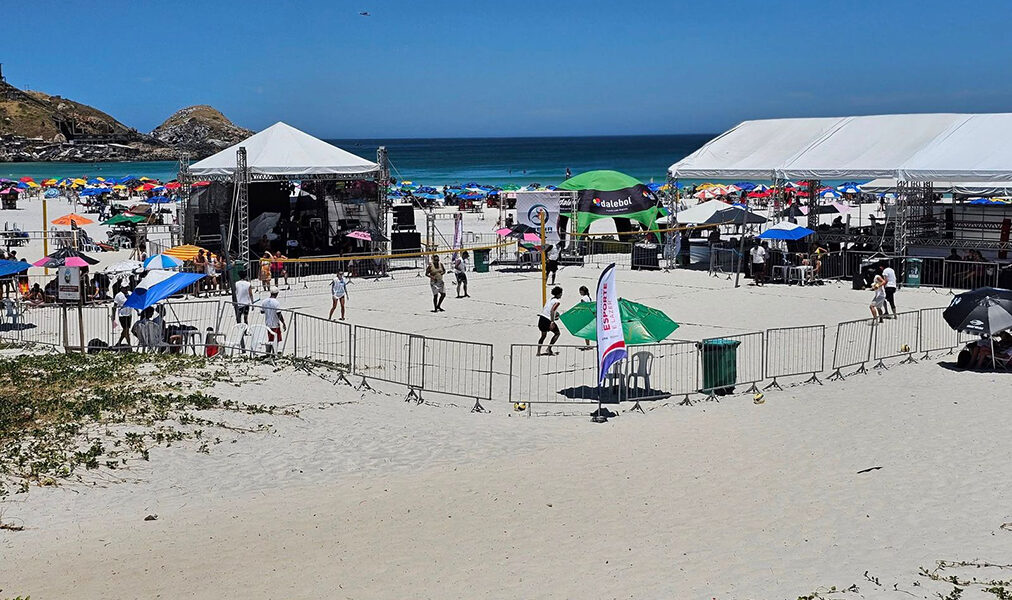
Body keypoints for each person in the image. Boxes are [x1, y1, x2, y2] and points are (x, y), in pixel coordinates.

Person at [537, 286, 563, 356]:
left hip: (541, 318)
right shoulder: (557, 302)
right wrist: (552, 321)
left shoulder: (550, 299)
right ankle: (549, 348)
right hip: (548, 320)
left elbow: (548, 309)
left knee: (543, 336)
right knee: (557, 333)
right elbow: (552, 310)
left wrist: (555, 314)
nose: (561, 295)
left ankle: (538, 352)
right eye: (561, 293)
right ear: (559, 294)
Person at [260, 286, 286, 353]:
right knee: (275, 339)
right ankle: (274, 352)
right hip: (275, 323)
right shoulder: (276, 302)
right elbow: (279, 314)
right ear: (277, 293)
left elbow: (262, 311)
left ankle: (269, 351)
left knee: (270, 338)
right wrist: (283, 323)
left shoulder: (264, 301)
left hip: (268, 323)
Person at [578, 285, 593, 350]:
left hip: (585, 316)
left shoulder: (583, 299)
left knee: (586, 331)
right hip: (590, 315)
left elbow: (582, 308)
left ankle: (588, 345)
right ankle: (588, 345)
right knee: (588, 330)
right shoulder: (589, 298)